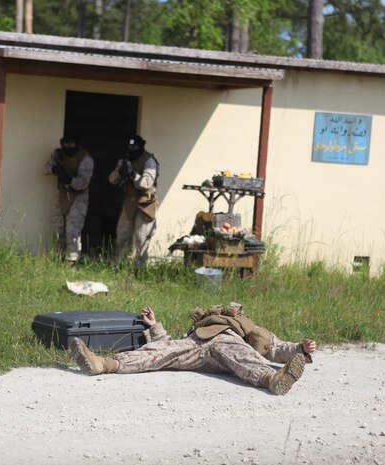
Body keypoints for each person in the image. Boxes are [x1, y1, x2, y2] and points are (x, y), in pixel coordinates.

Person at [70, 303, 317, 396]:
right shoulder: (197, 329)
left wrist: (300, 348)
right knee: (164, 352)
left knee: (243, 358)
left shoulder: (242, 327)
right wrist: (155, 325)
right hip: (197, 347)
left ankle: (274, 379)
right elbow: (166, 344)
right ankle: (104, 364)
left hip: (225, 345)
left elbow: (274, 347)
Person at [108, 135, 159, 270]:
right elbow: (112, 180)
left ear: (141, 147)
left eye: (135, 147)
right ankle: (117, 266)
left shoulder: (149, 161)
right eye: (130, 147)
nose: (132, 150)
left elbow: (147, 183)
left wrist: (132, 175)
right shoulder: (124, 161)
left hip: (145, 203)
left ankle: (139, 270)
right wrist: (120, 172)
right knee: (122, 235)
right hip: (130, 202)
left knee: (142, 239)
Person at [43, 134, 94, 267]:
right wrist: (54, 169)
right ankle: (57, 258)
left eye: (71, 145)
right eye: (65, 144)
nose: (68, 147)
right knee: (57, 228)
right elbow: (46, 168)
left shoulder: (86, 159)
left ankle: (71, 262)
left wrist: (70, 179)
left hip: (79, 197)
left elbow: (83, 183)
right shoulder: (58, 155)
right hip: (62, 194)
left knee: (73, 231)